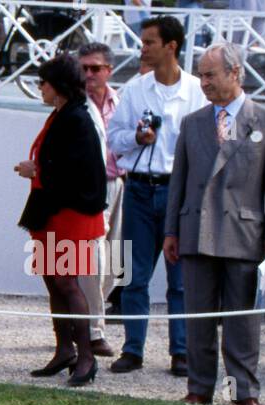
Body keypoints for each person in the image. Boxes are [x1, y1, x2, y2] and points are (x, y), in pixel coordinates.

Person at [164, 43, 265, 405]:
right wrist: (171, 231)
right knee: (198, 318)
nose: (203, 82)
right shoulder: (193, 122)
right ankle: (199, 389)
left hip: (245, 238)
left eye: (210, 74)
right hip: (196, 234)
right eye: (200, 74)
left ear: (235, 73)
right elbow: (178, 183)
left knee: (241, 324)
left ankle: (242, 393)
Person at [107, 16, 208, 376]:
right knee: (133, 274)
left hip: (179, 192)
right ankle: (133, 348)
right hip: (138, 188)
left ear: (171, 46)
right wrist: (136, 138)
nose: (143, 48)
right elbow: (113, 139)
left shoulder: (196, 91)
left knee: (180, 279)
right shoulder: (135, 88)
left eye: (149, 42)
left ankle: (181, 351)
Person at [16, 53, 107, 388]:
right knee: (54, 282)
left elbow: (77, 173)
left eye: (43, 82)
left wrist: (36, 171)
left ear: (58, 86)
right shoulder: (61, 115)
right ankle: (64, 349)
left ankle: (86, 355)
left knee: (68, 283)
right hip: (52, 210)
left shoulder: (78, 119)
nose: (40, 87)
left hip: (71, 213)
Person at [77, 42, 121, 358]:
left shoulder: (122, 101)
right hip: (90, 187)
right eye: (84, 68)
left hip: (120, 183)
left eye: (95, 68)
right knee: (93, 258)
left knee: (117, 261)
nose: (89, 74)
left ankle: (85, 318)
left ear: (109, 70)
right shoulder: (74, 103)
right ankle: (94, 330)